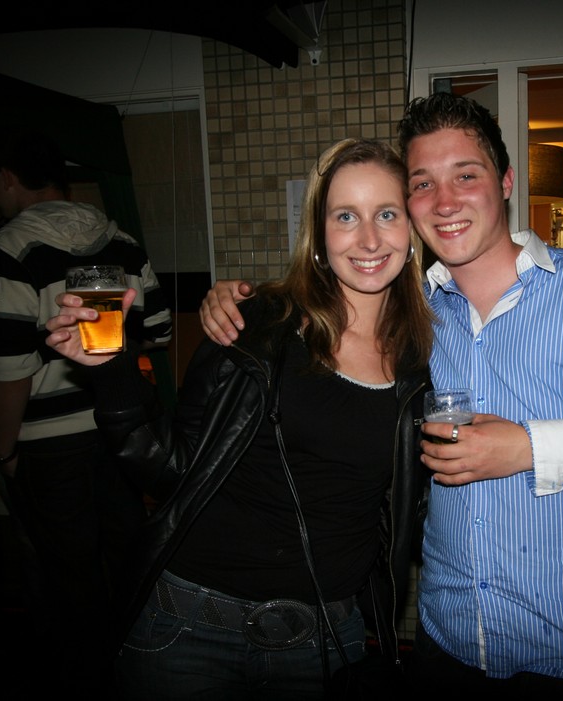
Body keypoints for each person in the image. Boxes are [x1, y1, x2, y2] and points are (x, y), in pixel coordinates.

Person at [200, 93, 563, 698]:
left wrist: (528, 447)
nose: (444, 202)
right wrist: (243, 302)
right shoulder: (410, 319)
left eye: (465, 175)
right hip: (449, 642)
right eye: (423, 184)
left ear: (505, 181)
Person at [43, 138, 433, 699]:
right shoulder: (255, 325)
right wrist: (113, 371)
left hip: (325, 639)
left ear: (411, 229)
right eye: (346, 216)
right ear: (319, 234)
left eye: (387, 214)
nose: (369, 239)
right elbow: (169, 469)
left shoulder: (428, 357)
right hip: (189, 632)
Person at [0, 126, 173, 695]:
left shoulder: (7, 251)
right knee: (129, 559)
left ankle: (88, 681)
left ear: (6, 177)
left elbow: (8, 370)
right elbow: (160, 330)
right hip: (122, 431)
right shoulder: (121, 241)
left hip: (49, 440)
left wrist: (4, 450)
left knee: (69, 576)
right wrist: (114, 353)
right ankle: (142, 672)